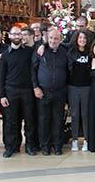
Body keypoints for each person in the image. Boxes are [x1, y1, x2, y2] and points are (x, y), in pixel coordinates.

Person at [0, 26, 37, 158]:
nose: (16, 36)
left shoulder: (29, 52)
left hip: (27, 90)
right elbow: (1, 77)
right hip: (11, 91)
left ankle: (30, 146)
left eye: (19, 34)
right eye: (14, 34)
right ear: (9, 36)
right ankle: (11, 147)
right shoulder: (4, 55)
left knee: (29, 120)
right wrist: (2, 95)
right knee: (11, 121)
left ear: (22, 36)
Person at [32, 28, 68, 156]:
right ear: (48, 38)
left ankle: (57, 146)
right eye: (51, 38)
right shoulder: (40, 51)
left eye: (56, 38)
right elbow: (33, 70)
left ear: (60, 40)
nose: (53, 40)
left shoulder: (65, 52)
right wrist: (36, 87)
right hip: (43, 92)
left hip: (60, 92)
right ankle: (45, 146)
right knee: (43, 120)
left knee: (58, 120)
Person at [66, 30, 92, 152]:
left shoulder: (90, 53)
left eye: (85, 38)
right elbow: (58, 43)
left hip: (87, 87)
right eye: (80, 38)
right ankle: (75, 140)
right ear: (76, 39)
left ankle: (87, 140)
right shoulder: (70, 52)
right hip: (73, 87)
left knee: (86, 114)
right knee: (75, 114)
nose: (82, 40)